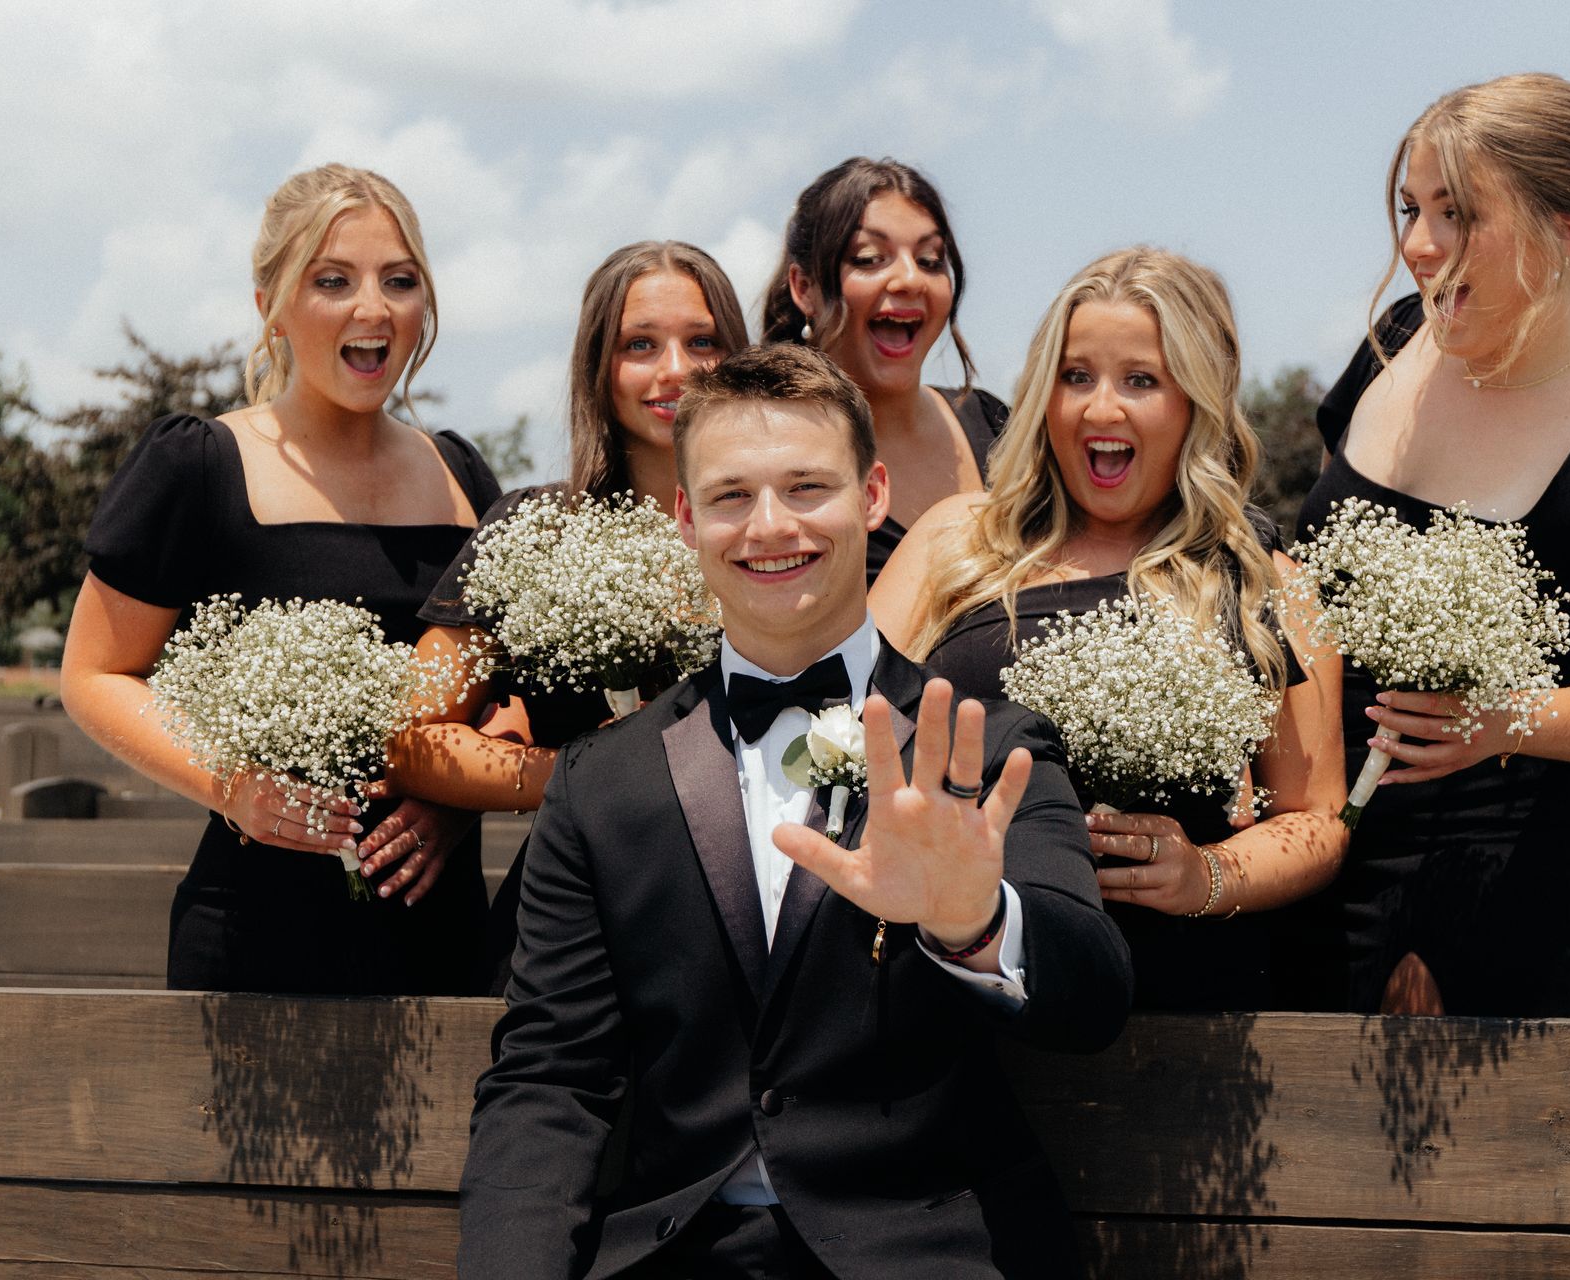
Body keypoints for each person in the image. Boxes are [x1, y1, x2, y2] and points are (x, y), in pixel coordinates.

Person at [457, 344, 1133, 1279]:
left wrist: (972, 921)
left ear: (873, 495)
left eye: (807, 487)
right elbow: (549, 1081)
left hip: (926, 1254)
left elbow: (1092, 998)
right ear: (687, 517)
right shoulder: (601, 783)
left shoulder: (985, 744)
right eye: (732, 496)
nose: (770, 527)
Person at [1290, 73, 1570, 1017]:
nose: (1417, 244)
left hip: (1493, 891)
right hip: (1309, 843)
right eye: (1412, 209)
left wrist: (1504, 720)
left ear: (1566, 225)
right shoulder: (1400, 335)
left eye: (1458, 213)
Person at [60, 164, 503, 994]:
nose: (373, 308)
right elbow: (94, 674)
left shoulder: (464, 477)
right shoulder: (198, 466)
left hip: (440, 935)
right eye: (333, 280)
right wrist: (231, 786)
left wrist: (456, 799)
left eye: (399, 281)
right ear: (271, 307)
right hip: (253, 935)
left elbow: (507, 689)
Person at [871, 247, 1348, 1012]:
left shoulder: (1266, 582)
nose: (1100, 408)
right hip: (951, 991)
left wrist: (1208, 876)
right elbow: (843, 727)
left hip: (1180, 1003)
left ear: (1195, 403)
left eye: (1141, 381)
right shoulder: (955, 542)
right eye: (1076, 376)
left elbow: (1315, 821)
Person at [366, 241, 748, 988]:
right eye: (640, 345)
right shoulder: (534, 530)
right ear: (597, 368)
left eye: (703, 341)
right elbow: (408, 740)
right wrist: (574, 774)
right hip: (577, 922)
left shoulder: (785, 529)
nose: (676, 369)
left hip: (750, 916)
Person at [759, 156, 1009, 584]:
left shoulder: (995, 423)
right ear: (804, 288)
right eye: (871, 258)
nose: (909, 279)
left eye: (930, 260)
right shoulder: (766, 451)